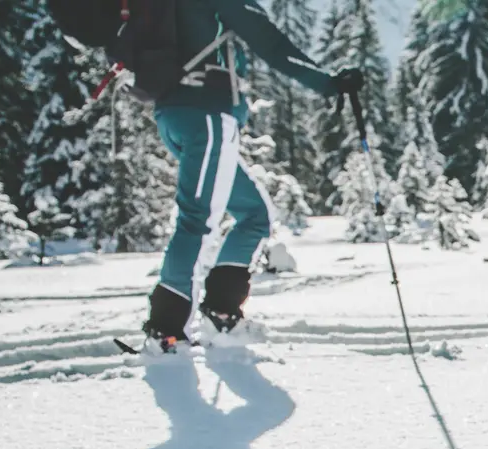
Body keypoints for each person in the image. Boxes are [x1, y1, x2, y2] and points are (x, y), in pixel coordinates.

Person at [141, 0, 365, 353]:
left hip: (176, 114)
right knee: (196, 220)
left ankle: (221, 313)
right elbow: (272, 46)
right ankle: (166, 330)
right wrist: (329, 83)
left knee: (254, 214)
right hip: (208, 116)